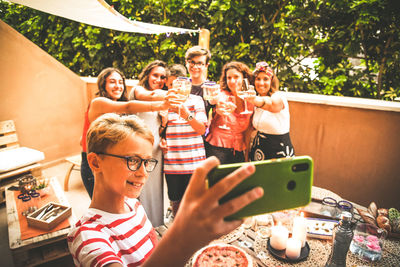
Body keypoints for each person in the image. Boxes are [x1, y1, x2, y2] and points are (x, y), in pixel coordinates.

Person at [68, 113, 264, 267]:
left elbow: (155, 248)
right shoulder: (88, 236)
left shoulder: (134, 205)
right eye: (133, 161)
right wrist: (185, 237)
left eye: (147, 162)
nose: (143, 173)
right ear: (95, 162)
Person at [80, 67, 170, 199]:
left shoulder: (119, 107)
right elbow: (128, 106)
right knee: (106, 205)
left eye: (120, 82)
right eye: (112, 82)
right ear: (103, 84)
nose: (117, 86)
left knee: (121, 203)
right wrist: (162, 105)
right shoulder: (98, 103)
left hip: (114, 162)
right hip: (95, 164)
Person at [129, 60, 169, 226]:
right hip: (137, 151)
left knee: (155, 192)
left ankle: (155, 226)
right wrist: (176, 94)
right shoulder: (138, 90)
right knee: (137, 190)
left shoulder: (163, 100)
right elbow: (150, 97)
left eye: (163, 77)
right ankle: (137, 226)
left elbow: (159, 129)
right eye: (155, 75)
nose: (159, 80)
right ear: (147, 75)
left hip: (156, 152)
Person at [161, 79, 208, 216]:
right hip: (172, 163)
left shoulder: (197, 100)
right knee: (175, 201)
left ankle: (194, 232)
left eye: (185, 84)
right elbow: (161, 129)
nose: (181, 88)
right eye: (177, 84)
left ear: (189, 86)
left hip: (194, 163)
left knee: (195, 202)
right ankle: (178, 229)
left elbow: (201, 129)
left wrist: (186, 115)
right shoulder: (166, 101)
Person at [205, 61, 254, 164]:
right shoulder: (222, 94)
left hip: (238, 151)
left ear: (244, 78)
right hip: (217, 149)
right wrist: (218, 106)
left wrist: (247, 155)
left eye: (236, 77)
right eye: (229, 78)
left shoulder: (250, 101)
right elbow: (216, 101)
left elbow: (248, 131)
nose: (232, 81)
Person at [247, 62, 295, 160]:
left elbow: (272, 105)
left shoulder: (278, 96)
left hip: (279, 150)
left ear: (271, 81)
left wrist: (254, 100)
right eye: (258, 79)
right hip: (259, 150)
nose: (261, 83)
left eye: (265, 79)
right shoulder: (257, 99)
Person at [185, 46, 213, 117]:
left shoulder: (210, 89)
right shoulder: (181, 85)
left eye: (200, 63)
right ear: (186, 63)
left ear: (206, 65)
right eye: (192, 62)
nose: (195, 67)